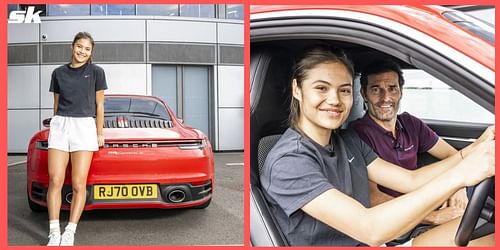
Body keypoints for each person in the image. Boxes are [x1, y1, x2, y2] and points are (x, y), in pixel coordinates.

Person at [260, 45, 495, 246]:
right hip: (374, 236)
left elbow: (410, 180)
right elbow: (369, 228)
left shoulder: (347, 141)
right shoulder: (289, 161)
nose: (334, 100)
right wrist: (460, 177)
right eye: (321, 88)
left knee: (487, 233)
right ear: (297, 90)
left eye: (343, 90)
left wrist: (472, 151)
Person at [348, 59, 483, 225]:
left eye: (392, 88)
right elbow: (373, 199)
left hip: (425, 202)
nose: (386, 98)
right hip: (395, 220)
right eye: (376, 90)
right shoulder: (358, 135)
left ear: (401, 91)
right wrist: (432, 218)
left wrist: (459, 186)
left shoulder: (411, 123)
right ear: (363, 94)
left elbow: (451, 155)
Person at [46, 31, 107, 246]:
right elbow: (56, 104)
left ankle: (70, 231)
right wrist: (54, 125)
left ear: (91, 52)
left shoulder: (97, 72)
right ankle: (54, 231)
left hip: (84, 126)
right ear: (72, 46)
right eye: (79, 46)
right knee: (55, 180)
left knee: (79, 184)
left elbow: (100, 105)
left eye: (87, 49)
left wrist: (99, 132)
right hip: (61, 124)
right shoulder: (58, 73)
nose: (82, 51)